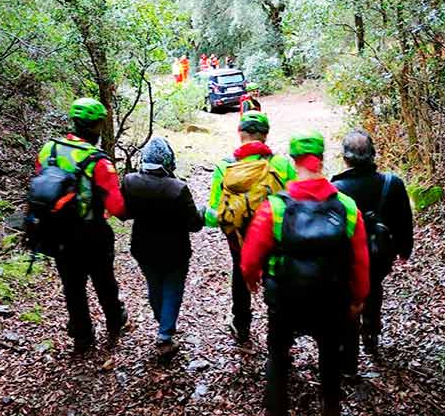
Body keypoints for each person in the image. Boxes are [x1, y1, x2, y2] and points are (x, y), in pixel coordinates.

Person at [241, 132, 370, 416]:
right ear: (322, 159)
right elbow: (360, 260)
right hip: (331, 298)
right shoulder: (347, 207)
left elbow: (249, 258)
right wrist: (359, 296)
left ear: (293, 159)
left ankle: (276, 409)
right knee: (330, 357)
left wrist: (252, 280)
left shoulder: (274, 207)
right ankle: (330, 407)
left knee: (277, 354)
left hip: (286, 299)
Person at [34, 98, 128, 353]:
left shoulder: (48, 150)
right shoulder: (98, 161)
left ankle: (82, 336)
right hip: (92, 232)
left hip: (56, 231)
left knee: (72, 285)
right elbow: (118, 207)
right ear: (97, 127)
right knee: (104, 281)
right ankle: (114, 321)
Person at [205, 111, 297, 343]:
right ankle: (278, 329)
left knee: (239, 273)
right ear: (265, 135)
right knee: (276, 276)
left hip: (239, 238)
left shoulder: (225, 167)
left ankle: (242, 325)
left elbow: (212, 216)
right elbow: (296, 201)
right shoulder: (282, 164)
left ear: (240, 134)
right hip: (275, 236)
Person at [332, 129, 413, 368]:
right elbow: (404, 220)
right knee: (374, 287)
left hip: (348, 256)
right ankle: (371, 333)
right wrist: (404, 249)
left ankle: (350, 347)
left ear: (345, 158)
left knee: (348, 295)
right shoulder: (393, 183)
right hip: (381, 253)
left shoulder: (335, 189)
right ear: (373, 155)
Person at [122, 137, 203, 359]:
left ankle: (163, 324)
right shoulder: (178, 188)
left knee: (154, 286)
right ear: (169, 160)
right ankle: (165, 335)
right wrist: (203, 213)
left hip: (143, 248)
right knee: (172, 289)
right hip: (175, 250)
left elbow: (124, 213)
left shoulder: (129, 182)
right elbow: (194, 224)